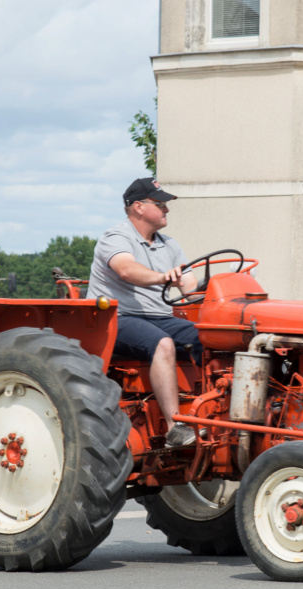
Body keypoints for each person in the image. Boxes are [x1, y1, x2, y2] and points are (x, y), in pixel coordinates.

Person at [87, 177, 202, 447]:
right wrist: (163, 277)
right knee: (161, 344)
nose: (166, 209)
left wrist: (223, 285)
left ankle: (211, 412)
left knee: (208, 337)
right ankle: (175, 427)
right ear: (138, 207)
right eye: (160, 203)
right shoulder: (115, 237)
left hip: (161, 317)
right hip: (118, 318)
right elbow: (126, 269)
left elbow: (191, 290)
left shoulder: (170, 245)